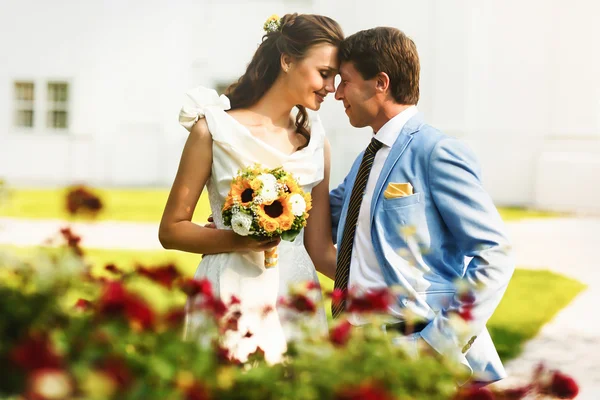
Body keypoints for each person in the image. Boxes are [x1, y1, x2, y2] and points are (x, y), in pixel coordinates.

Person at [327, 27, 515, 384]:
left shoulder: (437, 152)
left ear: (380, 82)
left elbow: (496, 253)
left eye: (345, 81)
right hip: (357, 350)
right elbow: (321, 213)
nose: (337, 94)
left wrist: (438, 342)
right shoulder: (366, 158)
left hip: (415, 349)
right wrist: (255, 206)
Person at [158, 13, 343, 363]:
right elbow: (171, 230)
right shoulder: (212, 131)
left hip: (294, 297)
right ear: (287, 60)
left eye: (335, 76)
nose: (331, 87)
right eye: (324, 73)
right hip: (229, 290)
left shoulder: (317, 141)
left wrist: (383, 288)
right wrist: (238, 239)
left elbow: (319, 248)